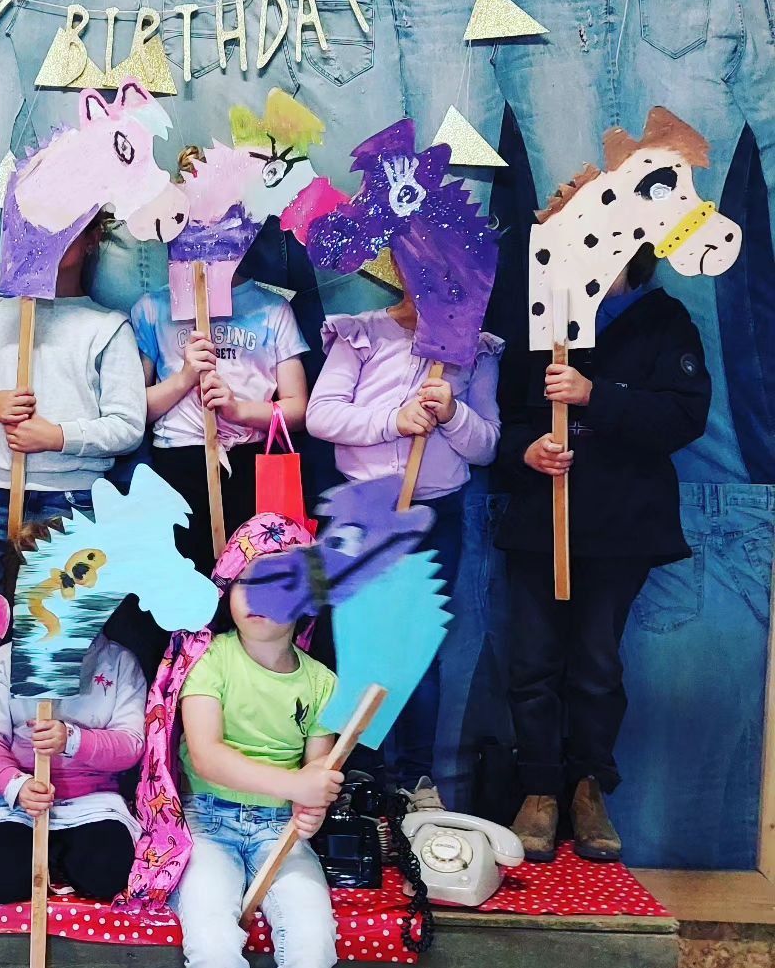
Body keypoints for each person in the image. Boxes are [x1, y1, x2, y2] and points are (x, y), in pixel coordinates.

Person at [495, 247, 711, 862]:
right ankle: (539, 788)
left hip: (622, 525)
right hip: (541, 522)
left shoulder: (664, 320)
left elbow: (683, 416)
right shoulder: (542, 321)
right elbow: (503, 417)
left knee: (595, 662)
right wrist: (526, 451)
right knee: (532, 662)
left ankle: (588, 787)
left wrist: (597, 394)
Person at [305, 289, 502, 806]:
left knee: (417, 647)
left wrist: (453, 414)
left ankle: (416, 776)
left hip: (434, 517)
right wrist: (392, 420)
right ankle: (358, 773)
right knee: (355, 643)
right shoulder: (363, 333)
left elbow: (487, 446)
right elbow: (321, 415)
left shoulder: (477, 347)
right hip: (362, 511)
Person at [171, 516, 342, 968]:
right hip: (207, 826)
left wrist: (311, 806)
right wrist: (298, 786)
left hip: (280, 835)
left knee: (312, 949)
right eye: (248, 581)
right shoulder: (207, 660)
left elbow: (317, 771)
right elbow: (207, 756)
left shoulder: (323, 683)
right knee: (212, 952)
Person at [0, 520, 146, 902]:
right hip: (19, 804)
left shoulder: (119, 663)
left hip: (94, 804)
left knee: (108, 870)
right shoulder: (6, 662)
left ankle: (66, 862)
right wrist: (15, 785)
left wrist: (72, 739)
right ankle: (46, 862)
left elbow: (131, 745)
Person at [0, 216, 146, 594]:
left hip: (72, 500)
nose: (52, 236)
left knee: (59, 619)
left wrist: (56, 437)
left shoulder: (108, 326)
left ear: (93, 238)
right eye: (41, 224)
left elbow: (128, 426)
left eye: (68, 225)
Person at [131, 274, 309, 575]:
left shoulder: (272, 308)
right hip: (178, 460)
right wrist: (185, 378)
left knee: (253, 577)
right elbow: (133, 411)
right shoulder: (152, 307)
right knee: (184, 576)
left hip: (251, 461)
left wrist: (238, 410)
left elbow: (298, 410)